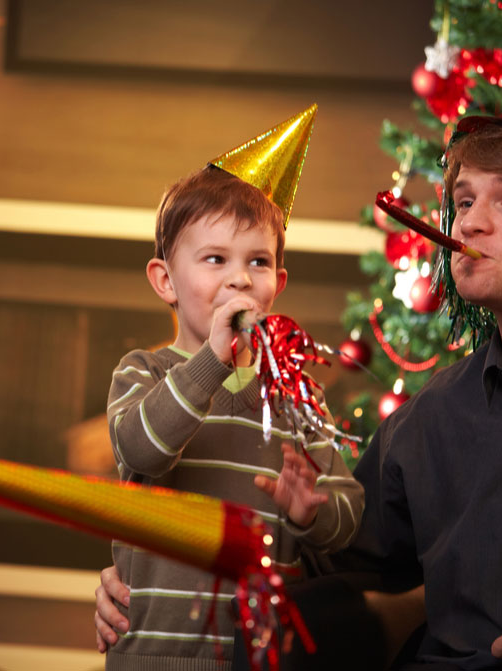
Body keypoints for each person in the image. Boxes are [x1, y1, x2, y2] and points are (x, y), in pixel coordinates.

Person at [102, 77, 502, 671]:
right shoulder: (427, 422)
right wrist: (137, 574)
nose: (467, 225)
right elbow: (314, 550)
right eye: (463, 201)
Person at [102, 109, 365, 670]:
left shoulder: (297, 397)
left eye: (259, 262)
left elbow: (348, 514)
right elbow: (141, 449)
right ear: (165, 281)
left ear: (279, 284)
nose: (240, 278)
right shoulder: (143, 372)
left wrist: (307, 512)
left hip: (261, 659)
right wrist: (212, 361)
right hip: (153, 657)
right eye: (215, 259)